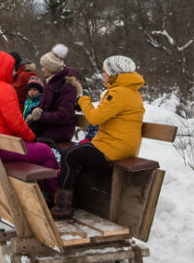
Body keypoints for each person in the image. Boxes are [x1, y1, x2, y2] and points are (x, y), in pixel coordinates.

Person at [51, 55, 145, 219]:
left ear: (114, 73)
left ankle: (63, 206)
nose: (102, 74)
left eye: (105, 71)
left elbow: (95, 118)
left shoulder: (118, 93)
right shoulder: (131, 92)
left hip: (113, 146)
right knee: (77, 154)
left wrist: (83, 100)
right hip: (122, 145)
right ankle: (75, 199)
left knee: (68, 156)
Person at [0, 51, 59, 196]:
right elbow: (16, 123)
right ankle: (54, 195)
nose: (13, 72)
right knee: (46, 152)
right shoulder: (4, 89)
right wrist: (32, 137)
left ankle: (41, 192)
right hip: (0, 148)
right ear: (2, 68)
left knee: (35, 150)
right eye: (11, 68)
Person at [26, 45, 78, 145]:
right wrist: (35, 110)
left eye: (44, 67)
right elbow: (43, 106)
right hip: (46, 126)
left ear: (51, 68)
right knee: (22, 135)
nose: (42, 69)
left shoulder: (67, 86)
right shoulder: (48, 82)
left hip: (60, 130)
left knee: (28, 141)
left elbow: (63, 116)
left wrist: (40, 116)